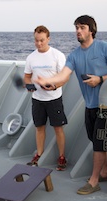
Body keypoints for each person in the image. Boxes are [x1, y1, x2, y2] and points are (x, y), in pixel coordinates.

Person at [35, 15, 107, 194]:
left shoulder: (105, 48)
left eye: (82, 27)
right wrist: (48, 80)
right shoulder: (74, 55)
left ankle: (94, 181)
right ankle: (105, 172)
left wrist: (100, 79)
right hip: (90, 105)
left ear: (91, 30)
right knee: (97, 141)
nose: (78, 31)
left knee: (99, 143)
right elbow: (63, 75)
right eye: (76, 27)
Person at [24, 25, 68, 171]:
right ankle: (39, 155)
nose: (39, 44)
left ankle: (62, 156)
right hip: (37, 99)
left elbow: (64, 77)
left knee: (58, 128)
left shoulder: (57, 55)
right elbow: (27, 76)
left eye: (42, 40)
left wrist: (54, 86)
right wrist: (28, 85)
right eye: (36, 40)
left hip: (54, 98)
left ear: (48, 39)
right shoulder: (31, 57)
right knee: (39, 128)